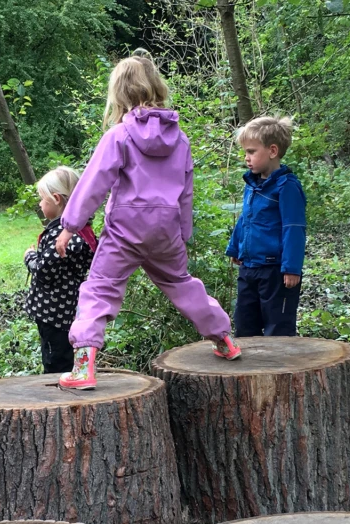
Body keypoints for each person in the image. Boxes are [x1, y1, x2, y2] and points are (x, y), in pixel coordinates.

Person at [55, 55, 241, 391]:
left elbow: (93, 183)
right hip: (166, 231)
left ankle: (83, 367)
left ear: (119, 94)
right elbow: (186, 191)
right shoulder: (179, 139)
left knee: (99, 289)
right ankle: (224, 340)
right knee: (182, 282)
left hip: (125, 231)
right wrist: (184, 232)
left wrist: (70, 225)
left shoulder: (119, 136)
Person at [225, 115, 307, 337]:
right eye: (245, 152)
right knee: (245, 325)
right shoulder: (252, 184)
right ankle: (249, 371)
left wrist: (291, 268)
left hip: (276, 271)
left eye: (252, 152)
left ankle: (280, 371)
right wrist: (235, 248)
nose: (246, 158)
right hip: (249, 268)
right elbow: (246, 218)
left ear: (272, 151)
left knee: (277, 328)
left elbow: (294, 228)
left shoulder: (287, 187)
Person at [24, 166, 97, 374]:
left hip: (55, 314)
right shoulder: (81, 229)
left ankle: (59, 395)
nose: (40, 204)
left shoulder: (64, 236)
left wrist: (29, 256)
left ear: (56, 199)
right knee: (63, 355)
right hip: (67, 311)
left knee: (56, 360)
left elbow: (43, 271)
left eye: (42, 200)